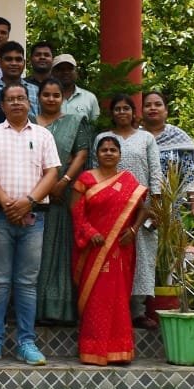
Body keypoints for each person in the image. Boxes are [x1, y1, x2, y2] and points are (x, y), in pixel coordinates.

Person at [0, 82, 61, 366]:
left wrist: (29, 201)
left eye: (21, 98)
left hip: (34, 217)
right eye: (10, 99)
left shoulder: (43, 134)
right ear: (2, 105)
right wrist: (6, 203)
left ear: (29, 102)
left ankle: (27, 342)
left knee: (27, 283)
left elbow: (52, 172)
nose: (16, 103)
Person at [72, 134, 148, 365]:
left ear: (119, 155)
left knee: (118, 299)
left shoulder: (128, 181)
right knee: (96, 299)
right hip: (94, 248)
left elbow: (144, 209)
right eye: (104, 150)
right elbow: (75, 209)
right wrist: (89, 232)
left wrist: (133, 230)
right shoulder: (86, 179)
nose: (108, 153)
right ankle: (93, 350)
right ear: (97, 154)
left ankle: (119, 349)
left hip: (120, 250)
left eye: (113, 150)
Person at [35, 78, 96, 325]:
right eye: (46, 94)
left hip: (64, 194)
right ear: (38, 97)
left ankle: (60, 309)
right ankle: (34, 310)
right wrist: (43, 187)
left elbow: (82, 153)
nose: (51, 99)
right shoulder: (29, 123)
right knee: (35, 251)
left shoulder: (75, 121)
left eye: (56, 95)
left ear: (63, 98)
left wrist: (64, 181)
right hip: (34, 195)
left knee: (61, 248)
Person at [108, 92, 162, 328]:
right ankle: (114, 309)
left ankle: (137, 312)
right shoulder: (104, 138)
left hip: (142, 206)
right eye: (117, 109)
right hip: (111, 205)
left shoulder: (146, 138)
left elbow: (155, 171)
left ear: (133, 113)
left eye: (126, 108)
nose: (122, 112)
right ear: (112, 113)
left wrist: (156, 206)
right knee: (113, 256)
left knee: (142, 256)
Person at [143, 90, 194, 217]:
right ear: (141, 111)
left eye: (158, 104)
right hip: (139, 205)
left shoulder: (177, 136)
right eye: (147, 105)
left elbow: (189, 174)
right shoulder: (136, 137)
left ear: (166, 110)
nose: (153, 108)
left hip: (169, 206)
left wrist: (193, 202)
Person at [51, 54, 100, 126]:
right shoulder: (47, 98)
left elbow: (95, 126)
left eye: (70, 69)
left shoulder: (90, 98)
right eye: (61, 69)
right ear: (53, 73)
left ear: (76, 72)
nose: (66, 72)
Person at [0, 41, 40, 117]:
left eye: (18, 59)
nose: (14, 63)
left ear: (24, 63)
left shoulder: (36, 91)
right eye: (8, 59)